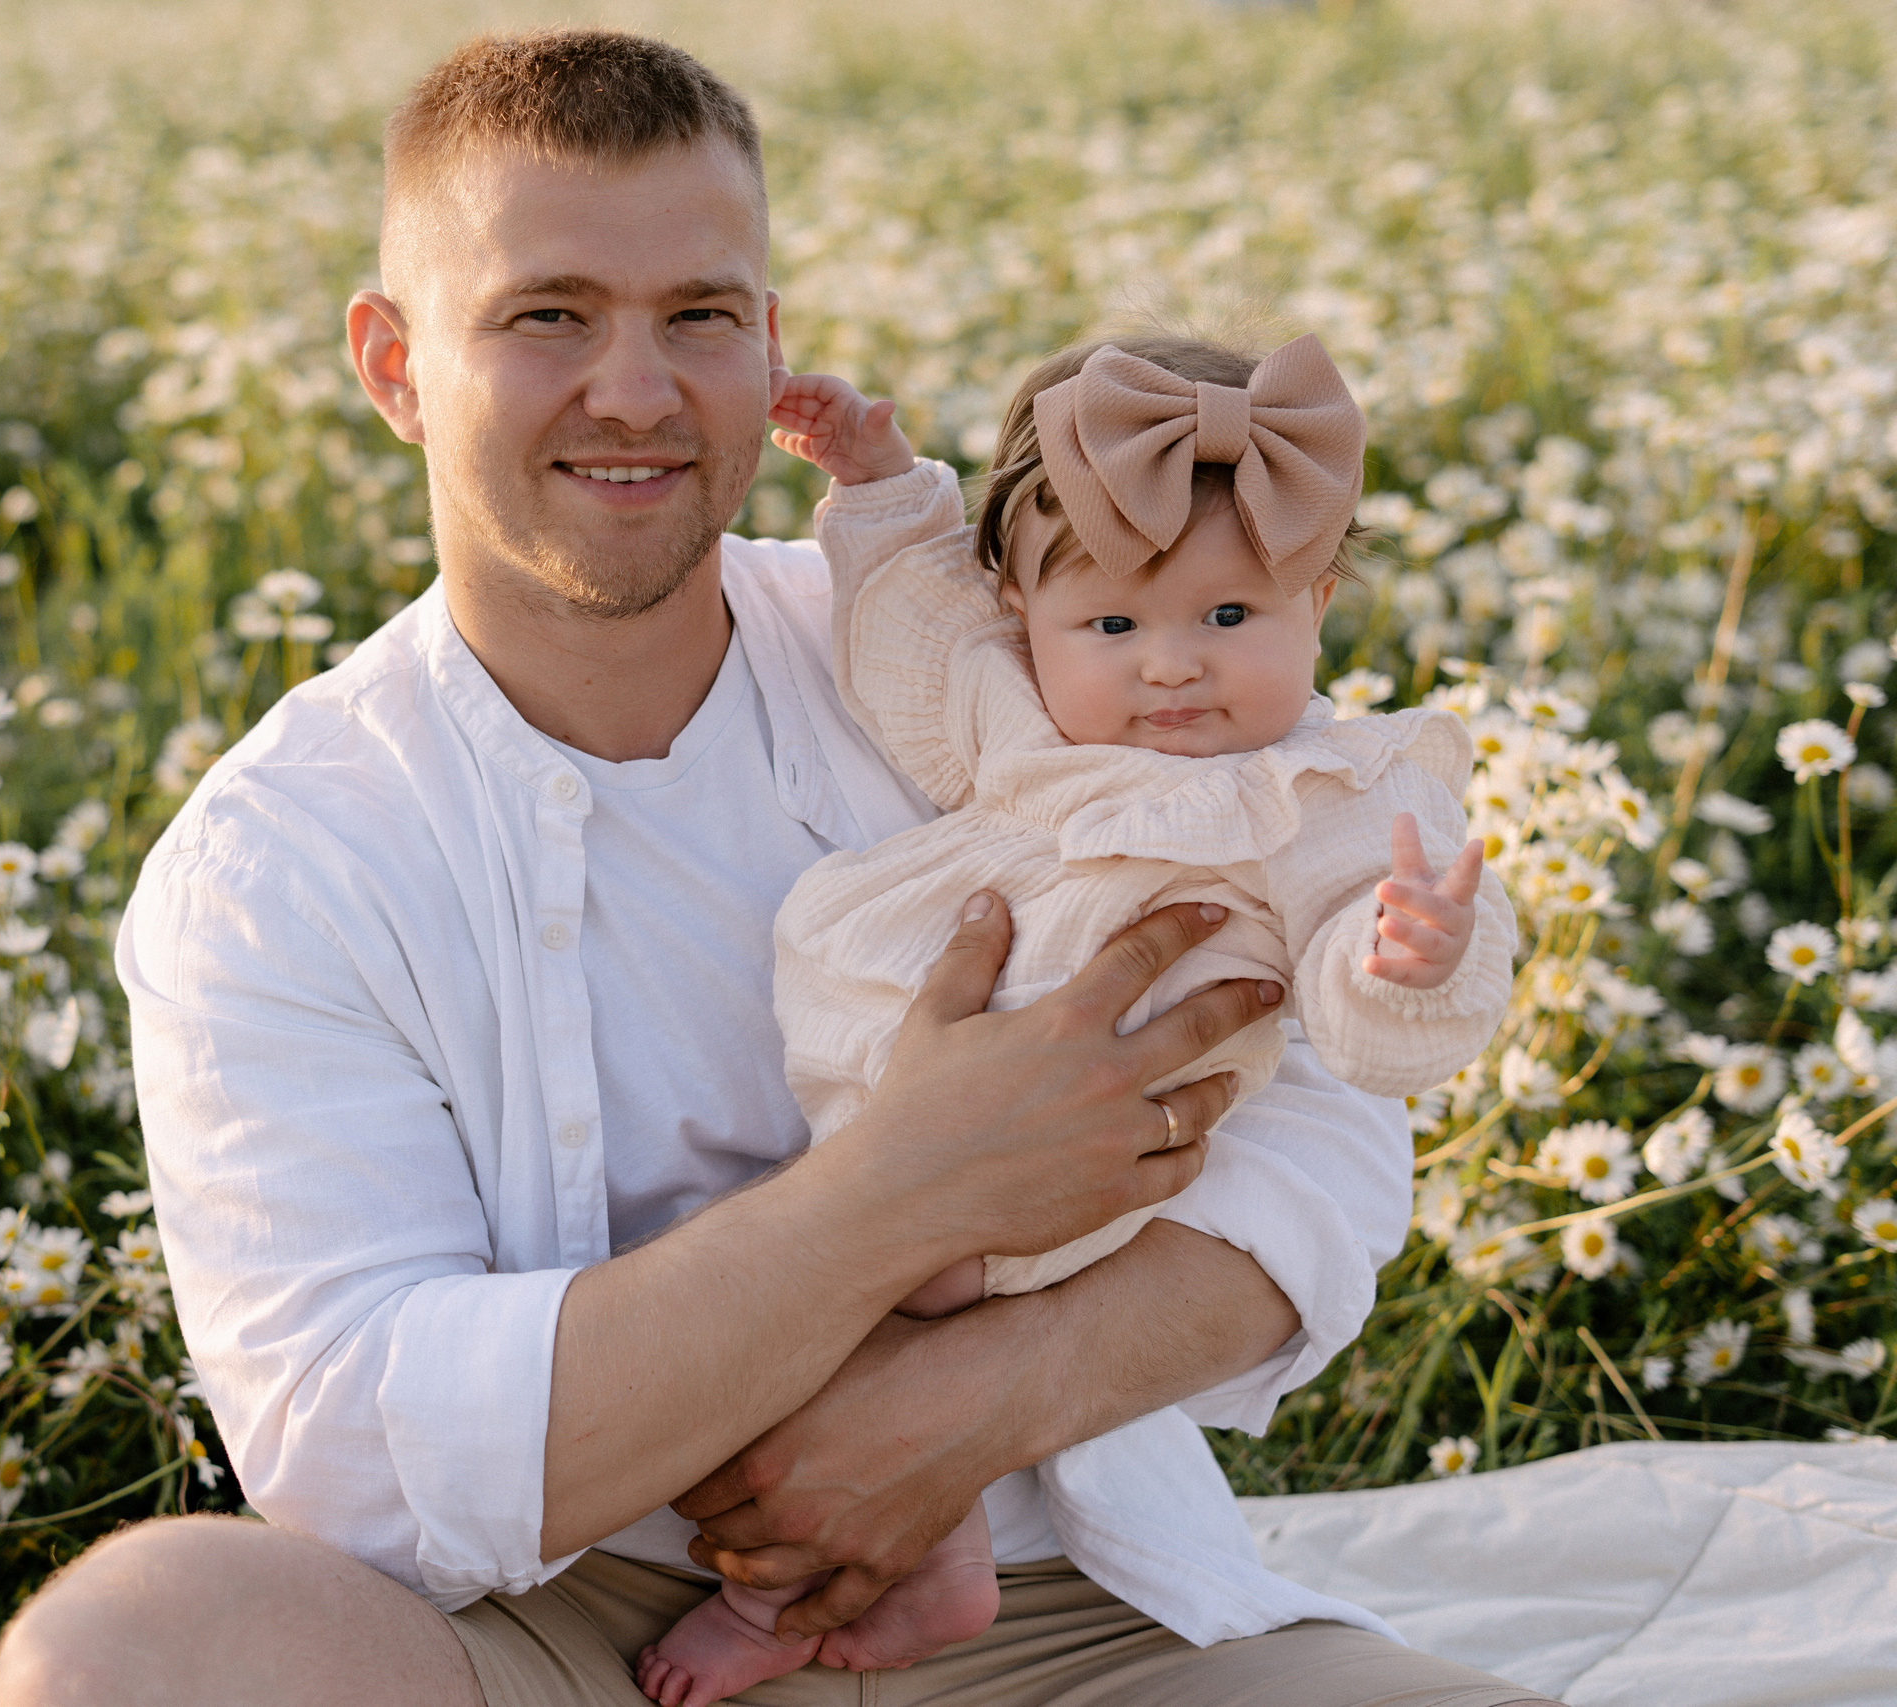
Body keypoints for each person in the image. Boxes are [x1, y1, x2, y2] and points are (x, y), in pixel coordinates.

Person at [0, 28, 1559, 1707]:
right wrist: (905, 1191)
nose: (636, 390)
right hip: (561, 1633)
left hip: (1047, 1609)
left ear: (771, 344)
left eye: (699, 315)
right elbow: (350, 1447)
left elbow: (1325, 1123)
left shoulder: (974, 663)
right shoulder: (281, 857)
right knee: (127, 1651)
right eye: (547, 316)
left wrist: (978, 1400)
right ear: (395, 366)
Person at [635, 337, 1516, 1707]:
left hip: (1078, 1146)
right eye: (1112, 626)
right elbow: (912, 636)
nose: (1172, 667)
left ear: (1321, 602)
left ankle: (780, 1598)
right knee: (795, 1290)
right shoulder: (1023, 717)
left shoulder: (1328, 787)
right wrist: (876, 481)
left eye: (1231, 616)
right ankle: (939, 1547)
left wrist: (1402, 953)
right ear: (1026, 613)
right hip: (899, 1098)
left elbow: (1360, 930)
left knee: (853, 1313)